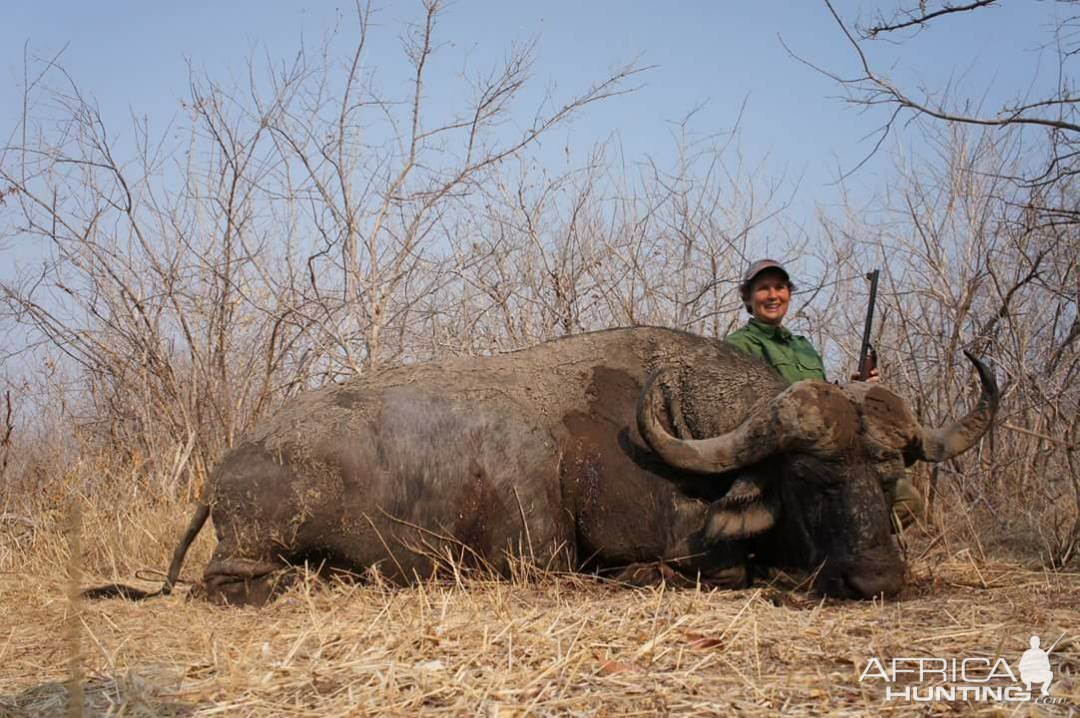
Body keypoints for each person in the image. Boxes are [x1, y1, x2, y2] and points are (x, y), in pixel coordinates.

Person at [724, 259, 923, 526]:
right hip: (785, 458)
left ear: (789, 294)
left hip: (829, 453)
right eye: (764, 288)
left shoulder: (803, 347)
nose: (773, 295)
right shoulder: (737, 345)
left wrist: (852, 388)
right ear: (748, 297)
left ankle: (855, 549)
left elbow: (821, 399)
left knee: (906, 498)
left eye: (780, 287)